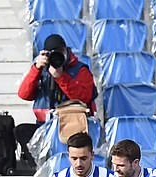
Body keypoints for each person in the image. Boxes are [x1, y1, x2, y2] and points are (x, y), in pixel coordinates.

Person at [16, 34, 98, 165]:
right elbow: (24, 94)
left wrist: (61, 77)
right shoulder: (42, 70)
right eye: (52, 54)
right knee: (21, 131)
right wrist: (36, 69)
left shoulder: (80, 70)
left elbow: (84, 97)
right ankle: (39, 168)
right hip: (44, 125)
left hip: (74, 126)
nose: (57, 57)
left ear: (66, 50)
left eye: (60, 52)